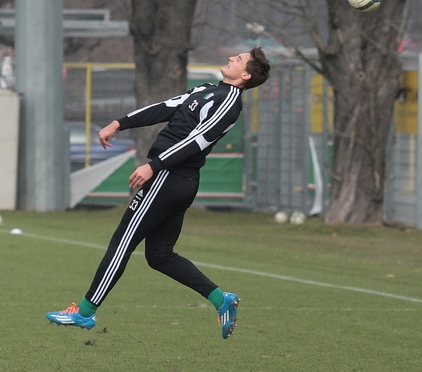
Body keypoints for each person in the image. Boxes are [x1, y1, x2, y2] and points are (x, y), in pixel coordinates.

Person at [46, 47, 271, 338]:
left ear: (245, 75)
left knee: (122, 242)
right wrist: (119, 123)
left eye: (238, 59)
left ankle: (85, 313)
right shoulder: (207, 90)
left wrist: (155, 166)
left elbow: (197, 141)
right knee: (160, 256)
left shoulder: (229, 103)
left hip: (169, 177)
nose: (231, 58)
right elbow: (165, 107)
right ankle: (221, 300)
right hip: (173, 178)